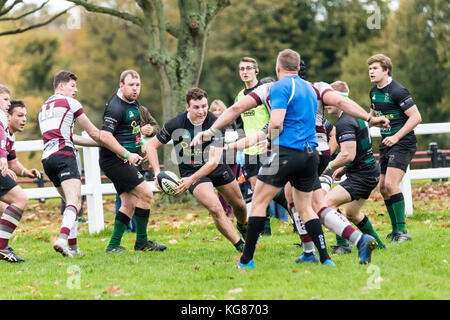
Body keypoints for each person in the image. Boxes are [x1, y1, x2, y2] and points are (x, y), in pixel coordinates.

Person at [192, 53, 389, 266]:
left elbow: (245, 111)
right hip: (313, 154)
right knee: (305, 205)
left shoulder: (275, 89)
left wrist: (211, 131)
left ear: (278, 68)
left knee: (259, 202)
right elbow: (342, 100)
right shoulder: (316, 88)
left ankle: (247, 260)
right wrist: (370, 118)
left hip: (287, 153)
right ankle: (330, 252)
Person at [144, 88, 248, 252]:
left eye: (204, 106)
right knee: (215, 208)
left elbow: (213, 162)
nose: (202, 111)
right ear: (188, 107)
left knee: (240, 205)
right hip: (191, 172)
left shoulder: (216, 122)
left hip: (216, 166)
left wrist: (190, 181)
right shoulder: (176, 124)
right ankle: (241, 246)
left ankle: (243, 226)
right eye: (196, 107)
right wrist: (157, 173)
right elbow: (151, 146)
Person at [39, 71, 111, 257]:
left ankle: (73, 247)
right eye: (72, 86)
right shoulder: (70, 103)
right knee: (74, 201)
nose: (76, 90)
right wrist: (113, 143)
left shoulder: (44, 107)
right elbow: (94, 132)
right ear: (61, 86)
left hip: (47, 159)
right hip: (64, 155)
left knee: (71, 203)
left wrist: (100, 143)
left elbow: (72, 136)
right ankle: (62, 240)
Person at [99, 69, 166, 253]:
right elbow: (105, 136)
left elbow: (130, 132)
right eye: (131, 85)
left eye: (137, 85)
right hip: (115, 161)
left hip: (125, 160)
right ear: (121, 86)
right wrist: (128, 155)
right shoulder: (115, 107)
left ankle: (113, 246)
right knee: (146, 194)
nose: (135, 89)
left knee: (128, 202)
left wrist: (141, 145)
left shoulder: (133, 103)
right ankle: (142, 242)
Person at [325, 80, 385, 254]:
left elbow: (347, 154)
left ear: (338, 99)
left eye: (329, 98)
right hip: (369, 170)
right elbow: (358, 150)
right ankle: (379, 246)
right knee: (352, 213)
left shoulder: (344, 123)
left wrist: (327, 165)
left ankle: (343, 245)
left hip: (362, 176)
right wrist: (345, 168)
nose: (326, 103)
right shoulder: (358, 115)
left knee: (327, 203)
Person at [367, 54, 422, 243]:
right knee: (383, 187)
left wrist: (397, 136)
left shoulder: (397, 90)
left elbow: (416, 117)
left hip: (403, 142)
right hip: (386, 144)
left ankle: (403, 231)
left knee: (391, 184)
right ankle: (395, 230)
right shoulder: (374, 92)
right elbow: (372, 116)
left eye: (375, 68)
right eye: (369, 69)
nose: (371, 72)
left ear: (386, 70)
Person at [235, 57, 272, 235]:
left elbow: (275, 117)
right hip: (249, 151)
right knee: (256, 190)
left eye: (249, 68)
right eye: (242, 69)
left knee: (275, 190)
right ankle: (265, 229)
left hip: (268, 147)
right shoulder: (239, 96)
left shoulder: (265, 91)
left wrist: (271, 139)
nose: (245, 71)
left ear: (256, 71)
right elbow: (240, 124)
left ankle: (298, 221)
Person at [114, 105, 160, 233]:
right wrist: (139, 131)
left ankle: (135, 229)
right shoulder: (117, 111)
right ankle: (125, 228)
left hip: (141, 163)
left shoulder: (142, 110)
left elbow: (157, 128)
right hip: (124, 162)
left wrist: (151, 131)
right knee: (123, 197)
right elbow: (116, 134)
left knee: (140, 197)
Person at [0, 85, 28, 263]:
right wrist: (2, 157)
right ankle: (2, 247)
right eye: (4, 99)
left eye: (9, 100)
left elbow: (13, 161)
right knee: (20, 200)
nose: (7, 103)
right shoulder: (1, 116)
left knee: (3, 210)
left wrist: (25, 171)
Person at [209, 99, 239, 217]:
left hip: (233, 156)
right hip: (219, 159)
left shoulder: (231, 121)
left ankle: (234, 209)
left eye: (219, 110)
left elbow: (236, 135)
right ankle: (224, 210)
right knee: (222, 187)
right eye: (214, 110)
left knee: (234, 186)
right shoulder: (210, 124)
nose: (217, 112)